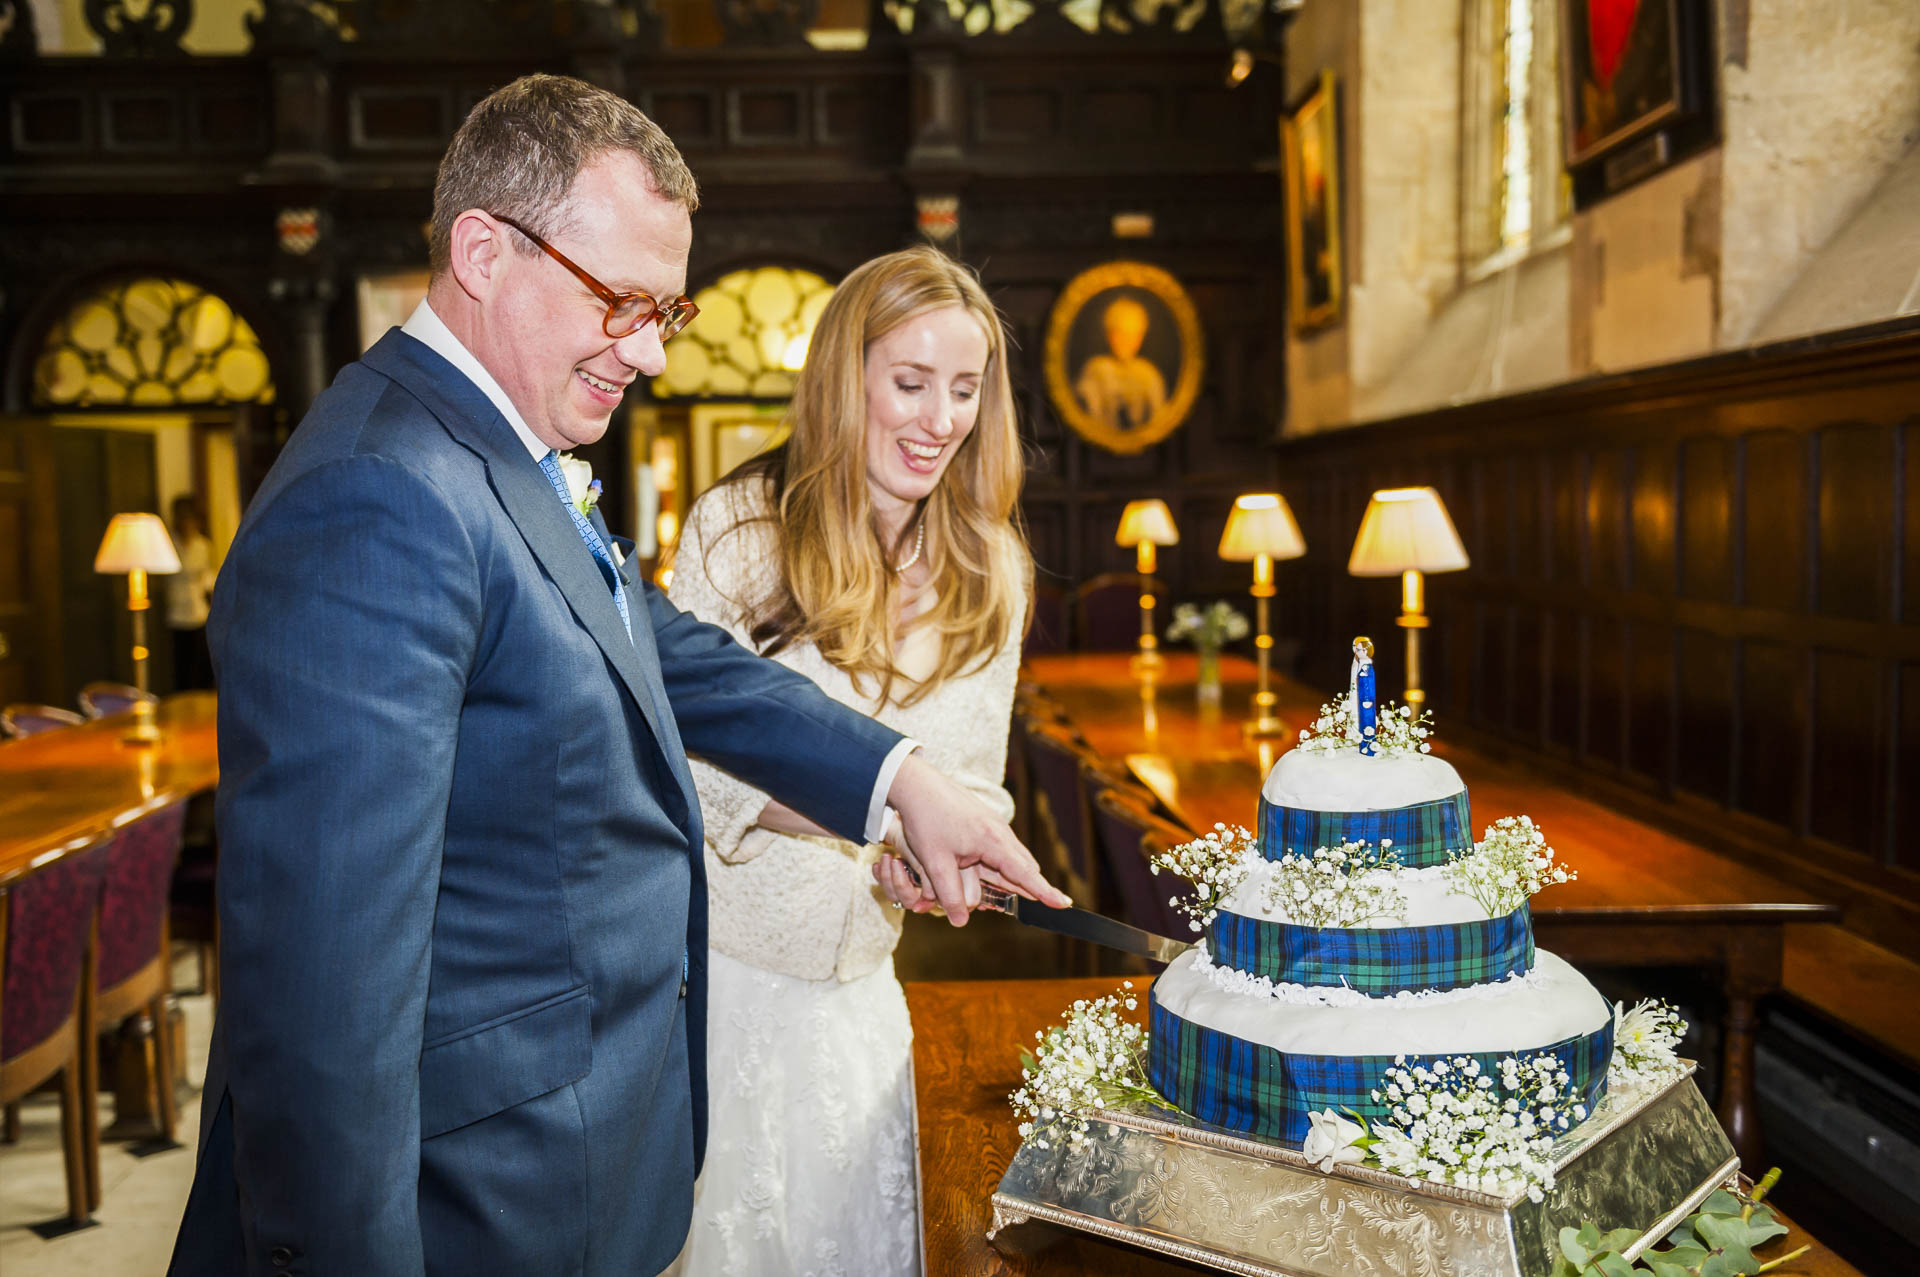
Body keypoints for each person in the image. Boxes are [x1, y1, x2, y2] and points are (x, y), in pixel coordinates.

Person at [167, 74, 1065, 1277]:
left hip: (577, 1142)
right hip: (474, 1189)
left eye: (665, 311)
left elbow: (662, 651)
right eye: (623, 302)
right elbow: (324, 1007)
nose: (648, 350)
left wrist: (898, 778)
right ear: (483, 250)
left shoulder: (495, 447)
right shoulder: (376, 496)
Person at [666, 245, 1027, 1275]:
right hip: (727, 983)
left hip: (865, 983)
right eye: (910, 383)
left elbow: (972, 778)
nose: (940, 418)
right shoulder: (737, 530)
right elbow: (690, 772)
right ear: (845, 378)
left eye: (964, 390)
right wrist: (881, 815)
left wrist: (927, 857)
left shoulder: (988, 562)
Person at [1074, 294, 1166, 431]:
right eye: (1120, 334)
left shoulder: (1149, 373)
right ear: (1110, 335)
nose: (1125, 342)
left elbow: (1159, 419)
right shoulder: (1096, 369)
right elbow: (1087, 413)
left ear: (1140, 337)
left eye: (1132, 336)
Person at [165, 494, 216, 690]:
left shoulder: (203, 546)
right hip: (176, 613)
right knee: (181, 667)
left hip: (198, 611)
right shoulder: (170, 544)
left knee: (201, 665)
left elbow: (207, 577)